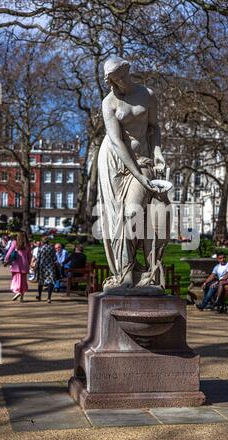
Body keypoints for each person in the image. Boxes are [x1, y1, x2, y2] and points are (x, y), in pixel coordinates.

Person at [98, 55, 169, 292]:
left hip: (143, 159)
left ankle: (145, 270)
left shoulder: (147, 95)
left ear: (128, 71)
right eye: (114, 81)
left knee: (134, 212)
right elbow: (117, 142)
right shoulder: (109, 103)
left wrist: (158, 153)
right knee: (120, 216)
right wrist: (138, 176)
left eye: (121, 77)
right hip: (115, 163)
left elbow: (154, 128)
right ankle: (126, 271)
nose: (119, 84)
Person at [4, 231, 31, 302]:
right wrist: (29, 263)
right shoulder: (28, 244)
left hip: (16, 264)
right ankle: (21, 297)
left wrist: (6, 259)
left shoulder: (14, 242)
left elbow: (9, 252)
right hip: (25, 265)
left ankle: (18, 292)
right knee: (23, 281)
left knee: (16, 279)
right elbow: (29, 256)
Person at [36, 236, 57, 303]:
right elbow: (55, 258)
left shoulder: (40, 248)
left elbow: (38, 258)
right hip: (50, 266)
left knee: (41, 281)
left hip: (42, 266)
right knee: (50, 281)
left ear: (42, 241)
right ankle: (49, 298)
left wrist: (36, 266)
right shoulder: (52, 248)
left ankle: (39, 296)